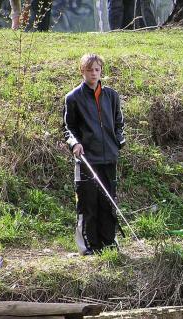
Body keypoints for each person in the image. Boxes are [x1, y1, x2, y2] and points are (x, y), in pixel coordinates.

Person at [63, 53, 125, 255]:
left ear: (101, 71)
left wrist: (118, 141)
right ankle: (89, 246)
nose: (93, 73)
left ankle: (108, 242)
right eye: (89, 70)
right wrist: (74, 144)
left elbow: (118, 123)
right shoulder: (72, 98)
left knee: (108, 202)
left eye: (97, 69)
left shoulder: (111, 96)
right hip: (86, 159)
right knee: (88, 204)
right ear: (82, 71)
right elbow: (68, 127)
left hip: (109, 158)